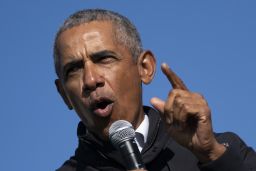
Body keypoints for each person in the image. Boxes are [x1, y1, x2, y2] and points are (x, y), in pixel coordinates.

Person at [53, 9, 256, 171]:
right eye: (73, 70)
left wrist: (213, 155)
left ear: (145, 68)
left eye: (104, 59)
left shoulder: (221, 151)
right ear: (64, 95)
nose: (90, 80)